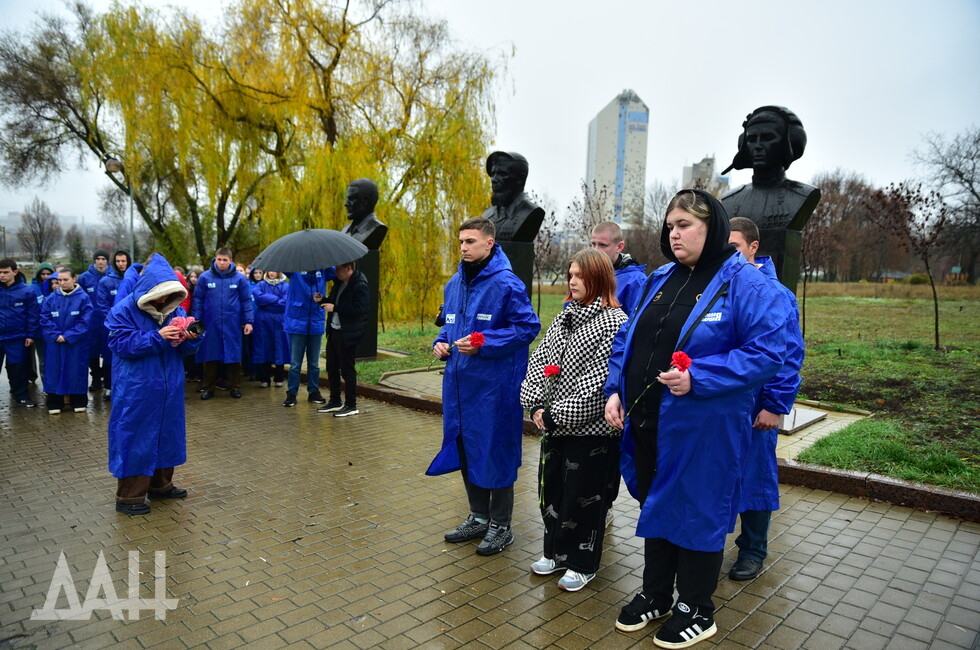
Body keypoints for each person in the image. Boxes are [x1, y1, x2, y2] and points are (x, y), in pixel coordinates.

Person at [604, 190, 787, 648]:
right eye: (670, 226)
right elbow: (628, 337)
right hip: (649, 421)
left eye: (684, 224)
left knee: (698, 511)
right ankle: (656, 594)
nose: (674, 233)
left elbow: (768, 353)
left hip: (705, 428)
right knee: (657, 504)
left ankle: (696, 608)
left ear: (714, 227)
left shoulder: (746, 283)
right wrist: (615, 390)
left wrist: (699, 377)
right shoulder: (661, 277)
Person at [427, 216, 540, 556]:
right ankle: (478, 517)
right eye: (461, 241)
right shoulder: (454, 284)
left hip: (494, 389)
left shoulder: (507, 284)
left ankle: (501, 525)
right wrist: (440, 343)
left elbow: (527, 328)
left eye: (470, 241)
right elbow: (449, 325)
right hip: (460, 388)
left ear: (489, 243)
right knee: (466, 447)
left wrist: (483, 342)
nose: (463, 247)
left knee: (495, 450)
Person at [519, 248, 627, 592]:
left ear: (598, 278)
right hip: (553, 426)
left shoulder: (613, 322)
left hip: (591, 433)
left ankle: (582, 562)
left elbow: (598, 384)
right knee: (552, 491)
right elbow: (539, 361)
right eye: (571, 275)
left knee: (583, 497)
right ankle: (554, 552)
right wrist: (535, 406)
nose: (572, 281)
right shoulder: (564, 317)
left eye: (580, 275)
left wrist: (555, 415)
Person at [727, 217, 805, 581]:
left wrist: (774, 405)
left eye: (734, 247)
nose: (729, 255)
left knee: (755, 473)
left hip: (758, 403)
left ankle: (753, 549)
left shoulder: (775, 293)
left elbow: (789, 355)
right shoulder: (721, 286)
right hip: (725, 402)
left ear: (753, 247)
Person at [106, 253, 203, 515]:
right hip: (137, 387)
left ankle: (161, 486)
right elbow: (120, 344)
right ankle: (129, 497)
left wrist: (191, 338)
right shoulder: (124, 309)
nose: (163, 300)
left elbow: (186, 350)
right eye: (159, 295)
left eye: (169, 295)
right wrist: (157, 337)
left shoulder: (177, 310)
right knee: (135, 436)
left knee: (167, 434)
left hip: (169, 385)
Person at [720, 105, 820, 292]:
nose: (758, 146)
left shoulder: (802, 195)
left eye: (767, 138)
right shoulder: (730, 200)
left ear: (789, 142)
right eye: (752, 139)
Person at [192, 248, 254, 400]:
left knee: (234, 355)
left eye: (225, 260)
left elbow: (246, 301)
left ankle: (234, 387)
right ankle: (208, 388)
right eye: (219, 259)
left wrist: (248, 321)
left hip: (232, 323)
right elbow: (198, 299)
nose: (221, 262)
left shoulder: (239, 279)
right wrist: (196, 320)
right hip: (210, 323)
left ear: (231, 261)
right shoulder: (205, 277)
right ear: (215, 259)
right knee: (209, 355)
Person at [316, 261, 369, 417]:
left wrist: (335, 308)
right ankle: (335, 401)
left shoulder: (360, 286)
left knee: (347, 370)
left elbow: (359, 309)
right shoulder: (338, 284)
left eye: (338, 269)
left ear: (348, 268)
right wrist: (322, 300)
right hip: (334, 331)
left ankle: (351, 405)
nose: (336, 272)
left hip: (348, 334)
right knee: (331, 368)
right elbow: (334, 303)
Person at [41, 267, 94, 414]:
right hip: (55, 343)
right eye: (59, 280)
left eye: (65, 280)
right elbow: (45, 318)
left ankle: (78, 401)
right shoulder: (51, 298)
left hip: (76, 344)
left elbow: (85, 321)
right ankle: (54, 402)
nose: (62, 283)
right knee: (54, 370)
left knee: (76, 370)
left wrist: (69, 336)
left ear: (74, 279)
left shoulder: (83, 298)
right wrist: (55, 334)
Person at [281, 269, 331, 407]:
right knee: (295, 364)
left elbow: (335, 271)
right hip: (297, 324)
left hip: (316, 323)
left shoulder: (323, 271)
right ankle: (291, 393)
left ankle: (313, 391)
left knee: (314, 363)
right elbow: (284, 265)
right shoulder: (295, 271)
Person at [479, 151, 545, 242]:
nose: (494, 179)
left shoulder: (530, 212)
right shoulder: (487, 215)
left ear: (520, 179)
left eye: (502, 174)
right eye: (493, 174)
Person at [0, 258, 39, 407]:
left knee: (18, 369)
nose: (2, 275)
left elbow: (33, 315)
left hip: (17, 337)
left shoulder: (26, 291)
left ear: (15, 272)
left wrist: (30, 334)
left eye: (5, 272)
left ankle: (22, 397)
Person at [590, 221, 648, 315]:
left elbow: (636, 320)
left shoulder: (636, 280)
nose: (596, 250)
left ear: (619, 247)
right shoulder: (584, 274)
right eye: (593, 244)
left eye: (603, 245)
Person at [96, 250, 132, 399]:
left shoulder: (134, 279)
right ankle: (109, 387)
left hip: (131, 326)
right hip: (112, 327)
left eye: (123, 261)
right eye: (118, 261)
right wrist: (115, 322)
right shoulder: (106, 281)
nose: (121, 264)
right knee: (110, 357)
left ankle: (128, 387)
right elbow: (102, 305)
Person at [78, 249, 110, 391]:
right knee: (92, 350)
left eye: (103, 259)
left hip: (108, 319)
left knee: (108, 350)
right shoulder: (85, 278)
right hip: (91, 320)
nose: (100, 261)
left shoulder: (112, 277)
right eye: (98, 259)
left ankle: (107, 377)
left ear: (107, 261)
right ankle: (96, 378)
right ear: (94, 260)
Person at [251, 270, 289, 388]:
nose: (272, 273)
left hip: (279, 320)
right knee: (263, 348)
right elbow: (258, 298)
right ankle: (264, 379)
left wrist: (267, 302)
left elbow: (285, 302)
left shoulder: (285, 286)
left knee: (279, 347)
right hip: (263, 321)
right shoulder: (261, 285)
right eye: (270, 271)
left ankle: (279, 378)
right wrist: (276, 299)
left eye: (274, 271)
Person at [28, 262, 55, 388]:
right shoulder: (32, 289)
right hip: (39, 331)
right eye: (43, 274)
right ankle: (47, 386)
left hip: (53, 331)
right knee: (43, 359)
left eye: (48, 274)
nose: (45, 276)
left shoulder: (55, 286)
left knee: (53, 359)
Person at [341, 179, 388, 250]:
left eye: (351, 199)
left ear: (365, 201)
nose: (346, 204)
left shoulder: (377, 228)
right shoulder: (345, 230)